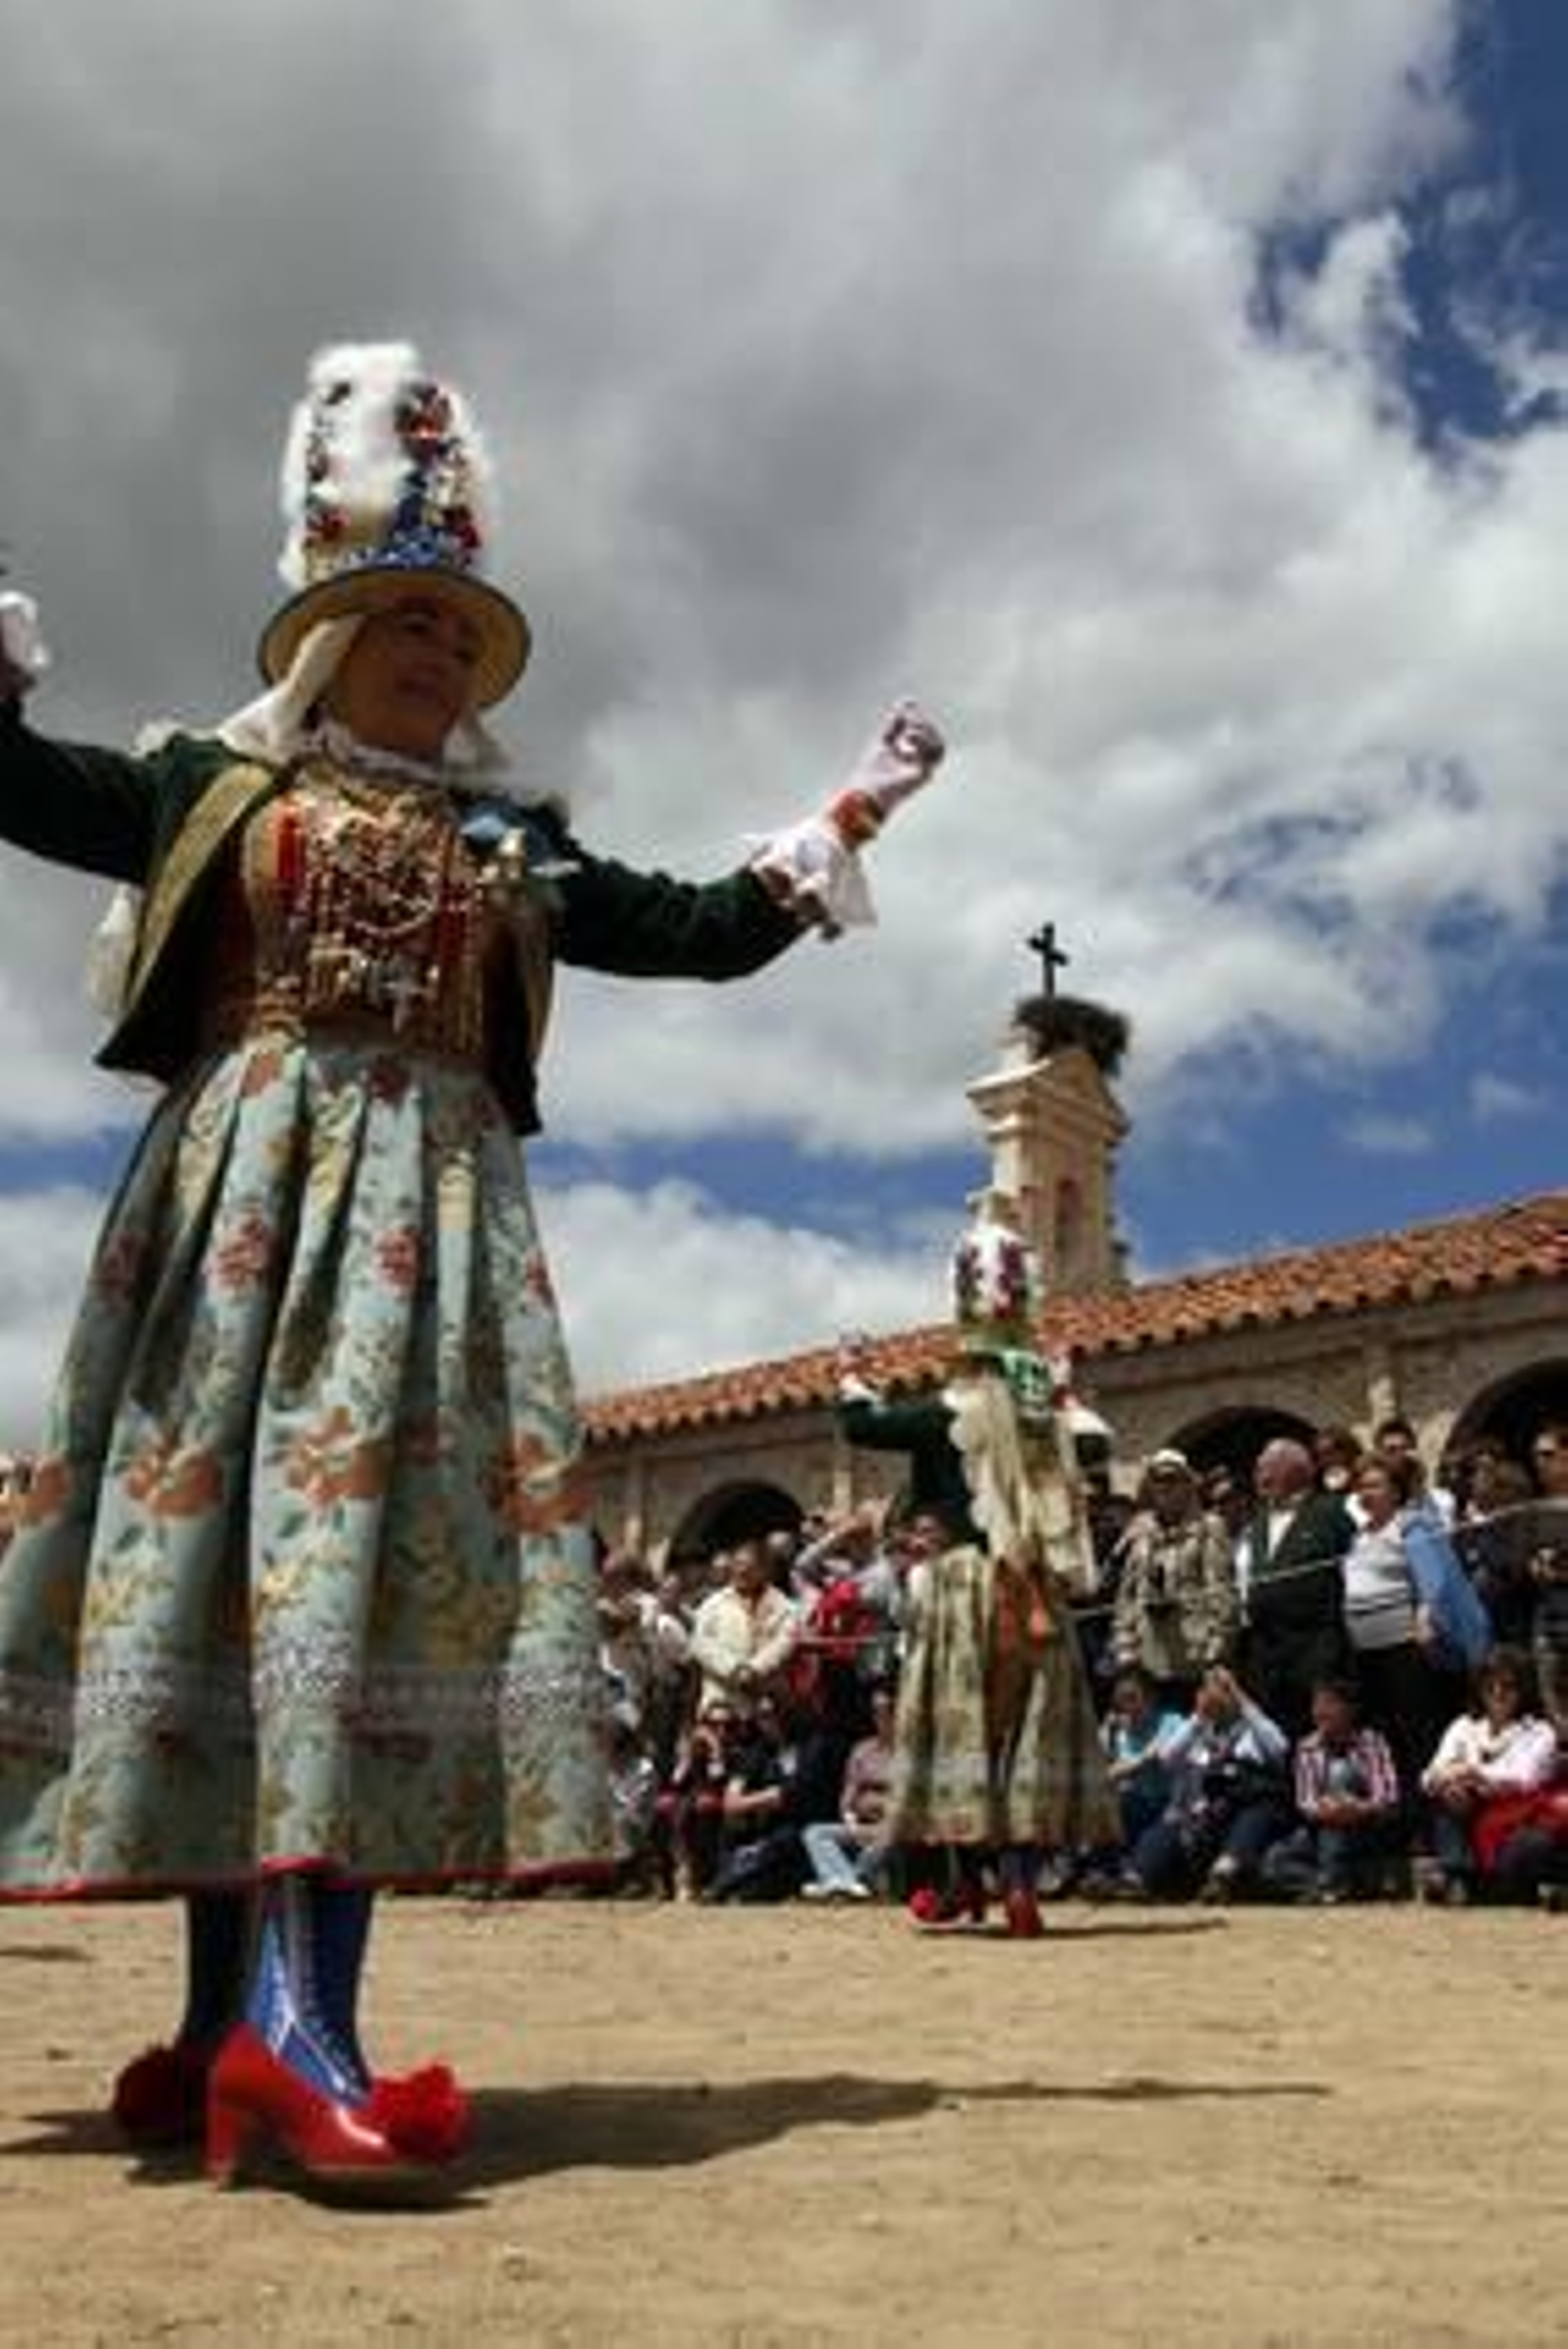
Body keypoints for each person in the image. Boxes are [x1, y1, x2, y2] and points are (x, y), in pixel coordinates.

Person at [0, 341, 944, 2193]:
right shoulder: (212, 788)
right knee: (237, 1594)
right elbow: (29, 791)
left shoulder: (507, 841)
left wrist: (842, 822)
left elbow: (687, 928)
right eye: (402, 625)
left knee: (349, 1587)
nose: (437, 656)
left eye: (459, 636)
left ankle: (278, 2028)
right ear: (325, 641)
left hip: (430, 1238)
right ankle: (245, 2031)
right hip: (240, 1228)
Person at [839, 1201, 1118, 1938]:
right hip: (1033, 1582)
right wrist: (1061, 1391)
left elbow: (860, 1423)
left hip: (965, 1584)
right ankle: (1022, 1883)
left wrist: (851, 1375)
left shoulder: (944, 1410)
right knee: (1022, 1731)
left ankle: (966, 1881)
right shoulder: (1040, 1409)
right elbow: (1092, 1445)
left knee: (956, 1732)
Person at [1340, 1451, 1489, 1815]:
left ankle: (1441, 1826)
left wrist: (1426, 1613)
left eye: (1374, 1484)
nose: (1365, 1492)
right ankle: (1406, 1819)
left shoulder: (1412, 1524)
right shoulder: (1359, 1536)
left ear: (1396, 1490)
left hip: (1406, 1650)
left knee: (1422, 1737)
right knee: (1389, 1742)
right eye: (1361, 1486)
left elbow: (1433, 1578)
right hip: (1368, 1653)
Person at [1117, 1665, 1292, 1904]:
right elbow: (1168, 1757)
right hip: (1207, 1817)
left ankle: (1223, 1875)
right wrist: (1198, 1716)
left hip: (1248, 1812)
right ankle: (1135, 1878)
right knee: (1167, 1829)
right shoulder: (1197, 1730)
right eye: (1208, 1688)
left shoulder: (1251, 1729)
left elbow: (1279, 1747)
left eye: (1222, 1689)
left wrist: (1240, 1698)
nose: (1214, 1695)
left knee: (1256, 1811)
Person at [1418, 1648, 1561, 1905]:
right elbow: (1428, 1776)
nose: (1498, 1692)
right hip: (1467, 1820)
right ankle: (1459, 1874)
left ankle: (1467, 1887)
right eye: (1490, 1685)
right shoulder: (1463, 1726)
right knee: (1446, 1797)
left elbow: (1523, 1777)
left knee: (1535, 1845)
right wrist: (1447, 1782)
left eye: (1508, 1686)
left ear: (1523, 1690)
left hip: (1514, 1822)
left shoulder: (1539, 1731)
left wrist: (1471, 1772)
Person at [1239, 1438, 1357, 1738]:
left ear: (1298, 1470)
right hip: (1267, 1659)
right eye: (1257, 1469)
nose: (1259, 1477)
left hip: (1315, 1654)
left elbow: (1350, 1571)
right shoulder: (1257, 1522)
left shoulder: (1331, 1512)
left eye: (1268, 1468)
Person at [1109, 1448, 1238, 1706]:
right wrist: (1125, 1646)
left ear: (1187, 1485)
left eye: (1172, 1480)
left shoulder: (1208, 1528)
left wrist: (1217, 1653)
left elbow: (1222, 1593)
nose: (1164, 1487)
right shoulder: (1141, 1532)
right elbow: (1127, 1595)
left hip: (1196, 1657)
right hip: (1150, 1659)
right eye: (1158, 1481)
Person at [1259, 1679, 1402, 1905]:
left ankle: (1331, 1884)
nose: (1319, 1712)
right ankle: (1332, 1884)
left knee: (1341, 1779)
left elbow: (1388, 1795)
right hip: (1320, 1827)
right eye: (1316, 1705)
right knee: (1272, 1863)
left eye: (1328, 1705)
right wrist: (1327, 1809)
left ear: (1350, 1710)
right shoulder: (1307, 1746)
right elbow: (1305, 1800)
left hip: (1365, 1827)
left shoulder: (1372, 1742)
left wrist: (1356, 1807)